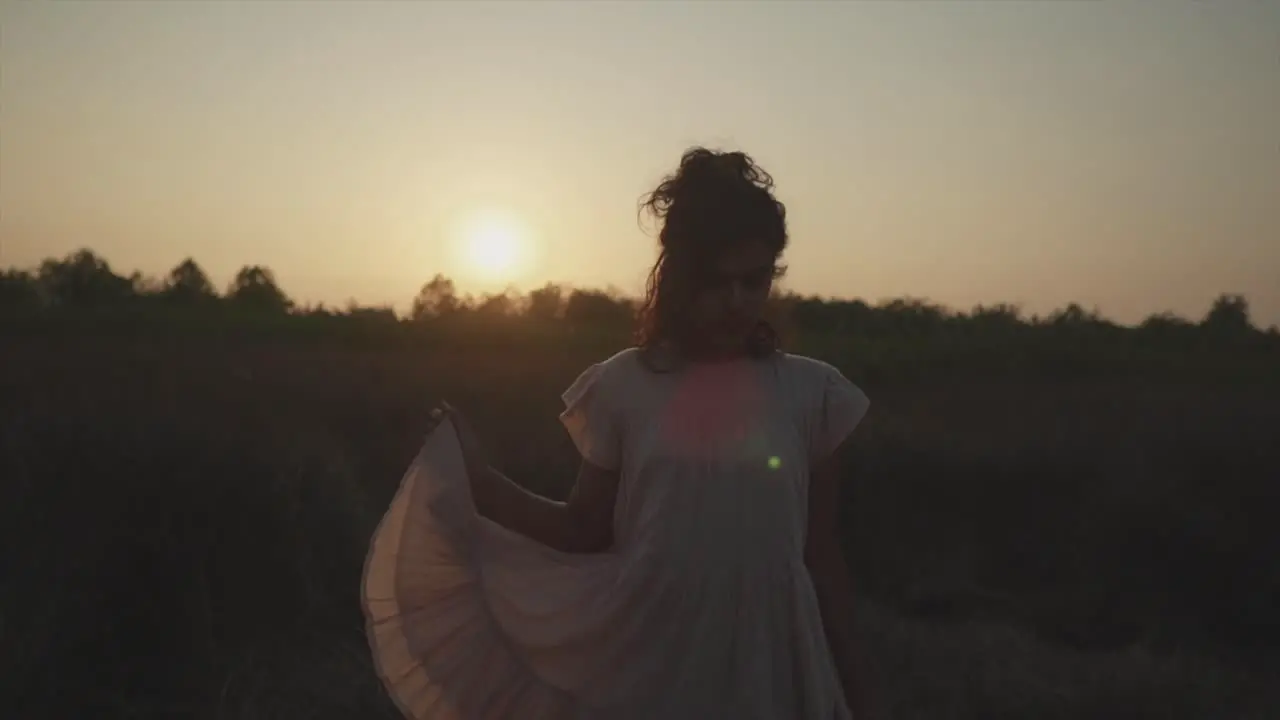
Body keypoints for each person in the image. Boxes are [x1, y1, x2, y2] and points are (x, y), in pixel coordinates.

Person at [362, 147, 876, 719]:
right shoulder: (624, 385)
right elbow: (584, 527)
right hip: (651, 658)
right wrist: (478, 480)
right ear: (681, 277)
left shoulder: (813, 393)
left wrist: (860, 698)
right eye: (716, 281)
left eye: (753, 281)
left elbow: (821, 555)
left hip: (772, 662)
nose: (736, 302)